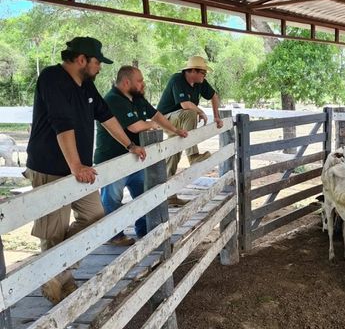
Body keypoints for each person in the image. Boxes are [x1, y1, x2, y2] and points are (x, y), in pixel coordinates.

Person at [24, 37, 147, 305]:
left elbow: (105, 115)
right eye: (97, 62)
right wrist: (75, 166)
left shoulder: (86, 85)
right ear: (81, 60)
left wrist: (129, 144)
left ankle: (57, 274)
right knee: (53, 231)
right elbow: (61, 124)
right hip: (49, 167)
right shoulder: (52, 78)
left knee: (95, 217)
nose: (100, 67)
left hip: (79, 168)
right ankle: (60, 287)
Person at [94, 66, 188, 245]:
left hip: (135, 158)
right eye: (139, 81)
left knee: (143, 195)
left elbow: (157, 115)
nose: (143, 84)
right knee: (112, 198)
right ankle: (114, 236)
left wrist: (174, 130)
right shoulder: (113, 99)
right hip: (113, 159)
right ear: (126, 82)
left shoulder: (137, 98)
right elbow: (134, 126)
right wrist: (152, 125)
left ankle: (145, 232)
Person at [157, 56, 223, 205]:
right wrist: (200, 111)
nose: (204, 76)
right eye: (202, 73)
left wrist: (217, 117)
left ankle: (169, 195)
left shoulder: (200, 83)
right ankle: (193, 155)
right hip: (165, 119)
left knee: (174, 152)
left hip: (180, 123)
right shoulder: (177, 79)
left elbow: (214, 96)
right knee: (191, 112)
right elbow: (185, 104)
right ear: (192, 71)